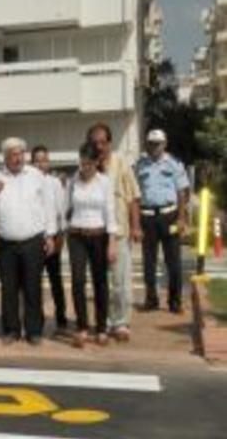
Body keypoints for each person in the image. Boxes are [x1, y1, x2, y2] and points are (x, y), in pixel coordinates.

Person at [0, 138, 57, 346]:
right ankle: (11, 330)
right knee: (9, 288)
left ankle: (34, 331)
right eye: (13, 154)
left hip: (32, 240)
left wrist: (50, 235)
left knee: (33, 287)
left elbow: (48, 206)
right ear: (5, 157)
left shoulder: (35, 176)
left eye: (21, 153)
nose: (18, 158)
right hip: (5, 243)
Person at [88, 123, 142, 341]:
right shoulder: (87, 165)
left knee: (120, 283)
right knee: (100, 282)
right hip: (95, 235)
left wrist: (136, 226)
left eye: (103, 142)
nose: (99, 147)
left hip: (119, 234)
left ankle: (120, 322)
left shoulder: (121, 164)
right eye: (95, 143)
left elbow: (133, 198)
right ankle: (105, 322)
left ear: (110, 143)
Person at [66, 142, 118, 348]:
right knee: (78, 281)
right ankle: (82, 327)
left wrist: (112, 241)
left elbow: (110, 211)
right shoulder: (72, 182)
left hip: (99, 235)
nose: (84, 168)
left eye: (89, 164)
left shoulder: (105, 182)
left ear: (97, 162)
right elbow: (65, 208)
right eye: (82, 163)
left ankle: (102, 328)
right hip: (76, 235)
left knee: (100, 282)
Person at [136, 129, 191, 314]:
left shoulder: (174, 164)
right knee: (148, 262)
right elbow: (135, 194)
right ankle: (151, 299)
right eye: (151, 143)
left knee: (173, 261)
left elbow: (182, 193)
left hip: (170, 216)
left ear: (165, 144)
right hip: (147, 217)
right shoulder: (139, 165)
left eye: (158, 143)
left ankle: (175, 301)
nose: (154, 146)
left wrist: (182, 218)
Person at [31, 145, 69, 334]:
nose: (40, 164)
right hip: (34, 240)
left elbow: (61, 212)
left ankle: (61, 317)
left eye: (44, 160)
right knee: (34, 282)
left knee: (56, 280)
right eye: (37, 160)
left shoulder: (54, 183)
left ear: (48, 162)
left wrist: (60, 237)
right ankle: (36, 318)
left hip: (53, 238)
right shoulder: (27, 181)